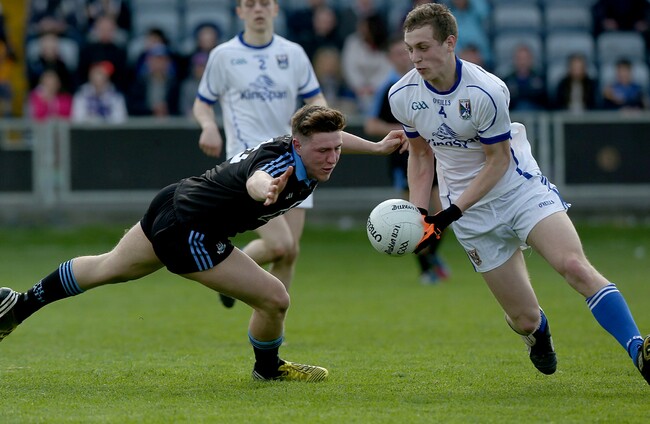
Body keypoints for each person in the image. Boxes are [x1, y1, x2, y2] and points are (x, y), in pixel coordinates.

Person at [0, 105, 402, 382]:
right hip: (192, 232)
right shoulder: (277, 166)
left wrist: (377, 147)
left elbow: (336, 139)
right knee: (275, 299)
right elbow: (256, 178)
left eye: (336, 149)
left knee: (109, 267)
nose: (332, 157)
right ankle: (268, 368)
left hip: (175, 201)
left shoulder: (303, 145)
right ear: (298, 145)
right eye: (324, 151)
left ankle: (19, 306)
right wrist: (265, 189)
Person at [388, 3, 649, 384]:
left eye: (424, 47)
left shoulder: (486, 90)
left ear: (450, 43)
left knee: (575, 266)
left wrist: (449, 213)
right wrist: (418, 215)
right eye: (410, 48)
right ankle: (538, 335)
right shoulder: (403, 94)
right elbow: (421, 154)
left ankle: (638, 349)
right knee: (523, 318)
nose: (415, 58)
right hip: (472, 214)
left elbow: (497, 162)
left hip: (517, 190)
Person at [193, 0, 403, 308]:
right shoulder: (224, 55)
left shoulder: (293, 53)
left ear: (275, 9)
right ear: (240, 12)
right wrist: (208, 126)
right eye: (250, 4)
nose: (258, 9)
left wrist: (332, 125)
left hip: (295, 159)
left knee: (289, 252)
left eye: (264, 3)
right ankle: (232, 275)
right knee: (281, 244)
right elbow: (202, 102)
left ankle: (272, 321)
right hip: (252, 165)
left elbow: (317, 105)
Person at [364, 34, 449, 284]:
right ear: (390, 58)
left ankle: (430, 255)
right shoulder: (389, 89)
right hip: (404, 159)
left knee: (443, 212)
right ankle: (425, 269)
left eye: (405, 52)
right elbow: (371, 125)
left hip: (432, 155)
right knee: (414, 216)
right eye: (398, 54)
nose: (403, 57)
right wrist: (405, 130)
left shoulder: (426, 82)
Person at [501, 44, 547, 111]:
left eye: (525, 59)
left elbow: (545, 102)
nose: (523, 62)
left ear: (531, 60)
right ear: (514, 60)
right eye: (520, 59)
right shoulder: (507, 80)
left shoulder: (540, 79)